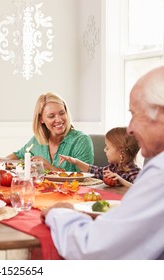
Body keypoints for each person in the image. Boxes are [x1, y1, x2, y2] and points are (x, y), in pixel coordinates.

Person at [42, 66, 164, 259]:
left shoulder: (159, 173)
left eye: (136, 115)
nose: (130, 129)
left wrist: (60, 213)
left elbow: (93, 249)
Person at [5, 92, 94, 172]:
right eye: (51, 116)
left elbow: (85, 178)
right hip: (43, 189)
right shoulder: (38, 140)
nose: (59, 120)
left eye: (62, 113)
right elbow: (18, 155)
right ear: (41, 119)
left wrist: (50, 168)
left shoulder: (81, 140)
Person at [59, 127, 141, 188]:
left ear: (122, 152)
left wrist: (121, 181)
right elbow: (94, 171)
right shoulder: (113, 168)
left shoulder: (134, 172)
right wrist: (75, 161)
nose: (104, 150)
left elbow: (140, 189)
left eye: (107, 148)